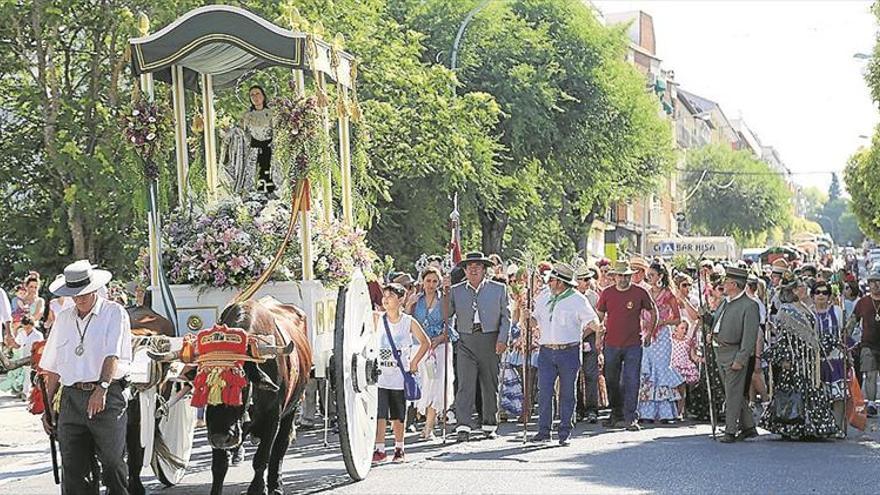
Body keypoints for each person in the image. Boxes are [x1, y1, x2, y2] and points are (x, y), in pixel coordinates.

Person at [40, 260, 132, 494]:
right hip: (71, 399)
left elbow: (113, 354)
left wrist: (101, 389)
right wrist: (48, 407)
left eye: (83, 293)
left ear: (93, 289)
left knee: (112, 464)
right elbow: (52, 368)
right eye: (74, 294)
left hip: (107, 397)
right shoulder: (63, 319)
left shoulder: (114, 312)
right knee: (72, 469)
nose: (78, 299)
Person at [527, 264, 599, 445]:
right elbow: (535, 322)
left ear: (560, 282)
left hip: (569, 350)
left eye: (551, 279)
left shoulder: (577, 299)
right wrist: (527, 316)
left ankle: (565, 430)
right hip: (546, 350)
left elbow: (592, 320)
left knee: (567, 392)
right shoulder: (544, 297)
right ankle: (544, 431)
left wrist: (598, 329)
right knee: (544, 391)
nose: (549, 282)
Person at [761, 272, 838, 440]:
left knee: (810, 390)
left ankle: (810, 427)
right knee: (792, 392)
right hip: (795, 358)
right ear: (794, 290)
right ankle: (791, 426)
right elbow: (784, 338)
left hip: (809, 359)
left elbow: (812, 333)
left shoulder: (803, 306)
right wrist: (785, 359)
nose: (805, 289)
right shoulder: (786, 310)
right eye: (802, 287)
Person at [443, 251, 511, 442]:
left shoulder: (498, 289)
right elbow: (446, 314)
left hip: (490, 339)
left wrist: (503, 339)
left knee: (489, 384)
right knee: (465, 384)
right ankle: (463, 426)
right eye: (469, 267)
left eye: (477, 267)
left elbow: (507, 317)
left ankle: (489, 424)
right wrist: (445, 292)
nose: (473, 270)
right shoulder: (456, 290)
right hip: (466, 340)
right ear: (464, 270)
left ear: (484, 270)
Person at [373, 283, 430, 463]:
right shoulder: (377, 319)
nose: (386, 299)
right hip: (381, 375)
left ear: (400, 299)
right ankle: (380, 449)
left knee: (398, 415)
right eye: (385, 295)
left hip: (399, 376)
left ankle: (399, 448)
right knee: (380, 414)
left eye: (390, 296)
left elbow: (425, 342)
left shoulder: (408, 322)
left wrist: (413, 362)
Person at [596, 261, 656, 431]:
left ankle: (631, 417)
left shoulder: (640, 292)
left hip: (633, 344)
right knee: (611, 380)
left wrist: (649, 332)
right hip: (611, 344)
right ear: (614, 276)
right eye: (620, 276)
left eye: (626, 276)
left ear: (631, 276)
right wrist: (598, 337)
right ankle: (616, 413)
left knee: (631, 380)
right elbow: (599, 317)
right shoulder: (607, 293)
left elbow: (653, 311)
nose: (623, 279)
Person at [712, 266, 761, 443]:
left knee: (732, 394)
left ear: (734, 284)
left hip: (734, 353)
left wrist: (741, 359)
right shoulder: (726, 301)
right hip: (720, 350)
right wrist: (706, 316)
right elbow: (716, 322)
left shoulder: (750, 306)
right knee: (733, 392)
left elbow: (749, 337)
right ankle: (749, 427)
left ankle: (730, 431)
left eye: (726, 282)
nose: (723, 284)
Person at [407, 267, 454, 441]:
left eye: (435, 281)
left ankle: (429, 426)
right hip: (420, 347)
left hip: (439, 348)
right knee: (424, 384)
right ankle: (419, 418)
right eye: (428, 281)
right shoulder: (416, 300)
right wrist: (407, 304)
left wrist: (440, 338)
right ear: (422, 281)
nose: (431, 285)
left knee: (436, 384)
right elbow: (406, 321)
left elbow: (450, 325)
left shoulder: (444, 301)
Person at [638, 262, 684, 422]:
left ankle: (666, 412)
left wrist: (663, 322)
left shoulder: (668, 294)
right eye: (648, 275)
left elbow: (678, 319)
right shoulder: (645, 293)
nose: (649, 278)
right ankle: (646, 412)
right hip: (646, 334)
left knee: (661, 369)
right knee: (648, 370)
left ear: (660, 276)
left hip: (663, 336)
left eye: (652, 275)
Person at [813, 280, 847, 434]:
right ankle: (824, 426)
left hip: (836, 359)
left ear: (829, 296)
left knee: (838, 395)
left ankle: (838, 427)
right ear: (812, 295)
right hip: (816, 361)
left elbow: (843, 333)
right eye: (817, 292)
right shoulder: (809, 313)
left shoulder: (838, 311)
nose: (821, 295)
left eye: (824, 292)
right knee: (821, 395)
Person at [845, 269, 880, 416]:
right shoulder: (863, 302)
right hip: (868, 344)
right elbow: (853, 321)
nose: (876, 285)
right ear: (869, 284)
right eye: (873, 282)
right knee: (870, 375)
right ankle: (871, 403)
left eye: (878, 282)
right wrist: (845, 336)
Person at [575, 266, 601, 423]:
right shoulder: (569, 297)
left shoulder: (594, 297)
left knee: (591, 374)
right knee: (574, 375)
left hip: (589, 337)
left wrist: (586, 334)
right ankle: (578, 409)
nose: (587, 282)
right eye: (584, 279)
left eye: (588, 279)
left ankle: (592, 409)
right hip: (572, 339)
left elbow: (598, 320)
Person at [242, 85, 275, 194]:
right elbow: (244, 134)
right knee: (255, 176)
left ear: (263, 96)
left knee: (270, 175)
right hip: (254, 150)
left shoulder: (271, 113)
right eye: (252, 95)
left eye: (258, 94)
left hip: (270, 148)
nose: (255, 97)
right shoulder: (247, 116)